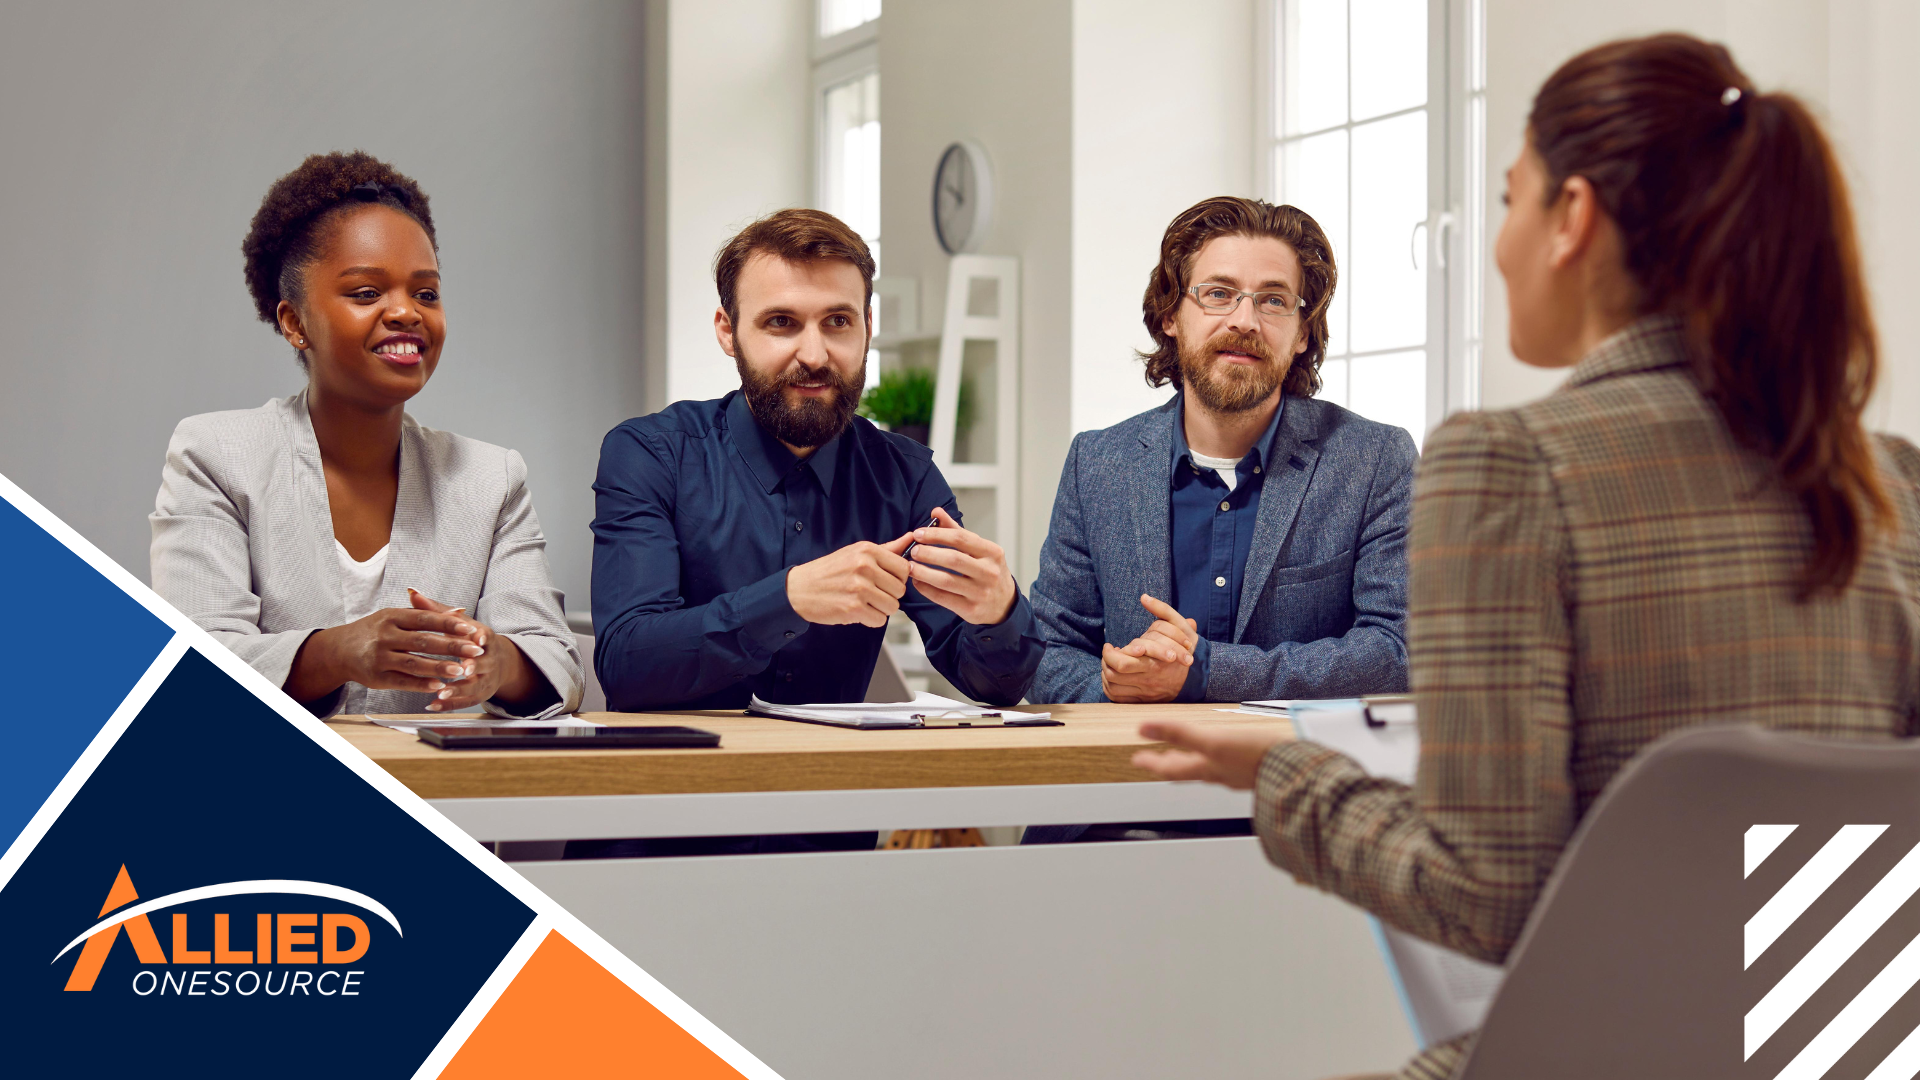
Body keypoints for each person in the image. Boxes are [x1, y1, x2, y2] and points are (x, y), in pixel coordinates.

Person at [1133, 35, 1920, 1080]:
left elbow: (1483, 897)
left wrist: (1288, 775)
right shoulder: (1891, 479)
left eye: (1510, 199)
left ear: (1573, 220)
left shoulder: (1507, 466)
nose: (1498, 243)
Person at [576, 208, 1041, 856]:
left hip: (825, 850)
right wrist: (787, 600)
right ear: (727, 331)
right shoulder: (650, 454)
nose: (815, 353)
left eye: (838, 322)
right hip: (655, 839)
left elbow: (990, 681)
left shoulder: (904, 477)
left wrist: (999, 611)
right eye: (781, 323)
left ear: (868, 330)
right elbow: (628, 664)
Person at [151, 152, 582, 720]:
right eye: (365, 293)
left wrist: (498, 663)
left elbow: (557, 663)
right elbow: (196, 664)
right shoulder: (217, 455)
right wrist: (337, 652)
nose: (406, 312)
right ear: (294, 322)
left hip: (447, 798)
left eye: (426, 293)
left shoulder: (489, 478)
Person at [1029, 196, 1415, 708]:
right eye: (1218, 294)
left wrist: (1208, 673)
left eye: (1274, 300)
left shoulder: (1375, 460)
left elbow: (1399, 652)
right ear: (1170, 314)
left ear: (1302, 332)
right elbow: (1047, 653)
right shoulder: (1097, 464)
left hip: (1300, 777)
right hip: (1130, 776)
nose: (1245, 320)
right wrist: (1114, 684)